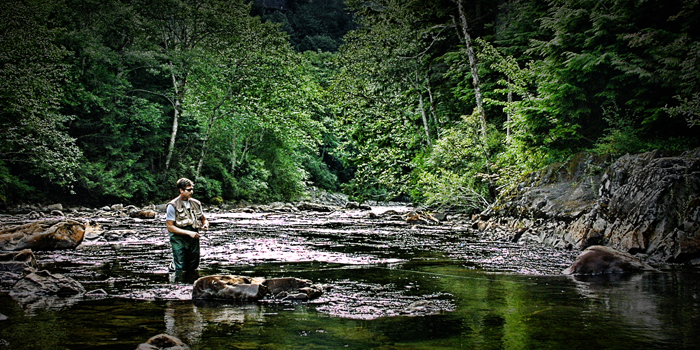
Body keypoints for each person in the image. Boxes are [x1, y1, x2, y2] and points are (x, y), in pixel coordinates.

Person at [166, 178, 209, 272]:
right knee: (180, 267)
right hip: (178, 239)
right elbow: (170, 227)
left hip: (193, 238)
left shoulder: (196, 203)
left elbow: (204, 219)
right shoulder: (172, 205)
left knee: (193, 265)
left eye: (192, 189)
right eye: (189, 190)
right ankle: (177, 282)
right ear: (181, 190)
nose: (191, 192)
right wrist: (188, 233)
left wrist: (205, 225)